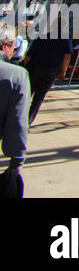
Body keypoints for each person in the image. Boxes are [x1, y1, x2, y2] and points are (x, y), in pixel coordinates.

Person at [0, 24, 30, 198]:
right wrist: (16, 161)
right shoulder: (17, 76)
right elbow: (17, 123)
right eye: (14, 47)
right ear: (5, 46)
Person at [22, 35, 73, 124]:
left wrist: (23, 65)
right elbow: (67, 56)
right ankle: (27, 122)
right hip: (50, 71)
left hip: (34, 69)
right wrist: (64, 70)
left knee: (26, 95)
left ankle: (18, 117)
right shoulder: (65, 38)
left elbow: (30, 53)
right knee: (38, 98)